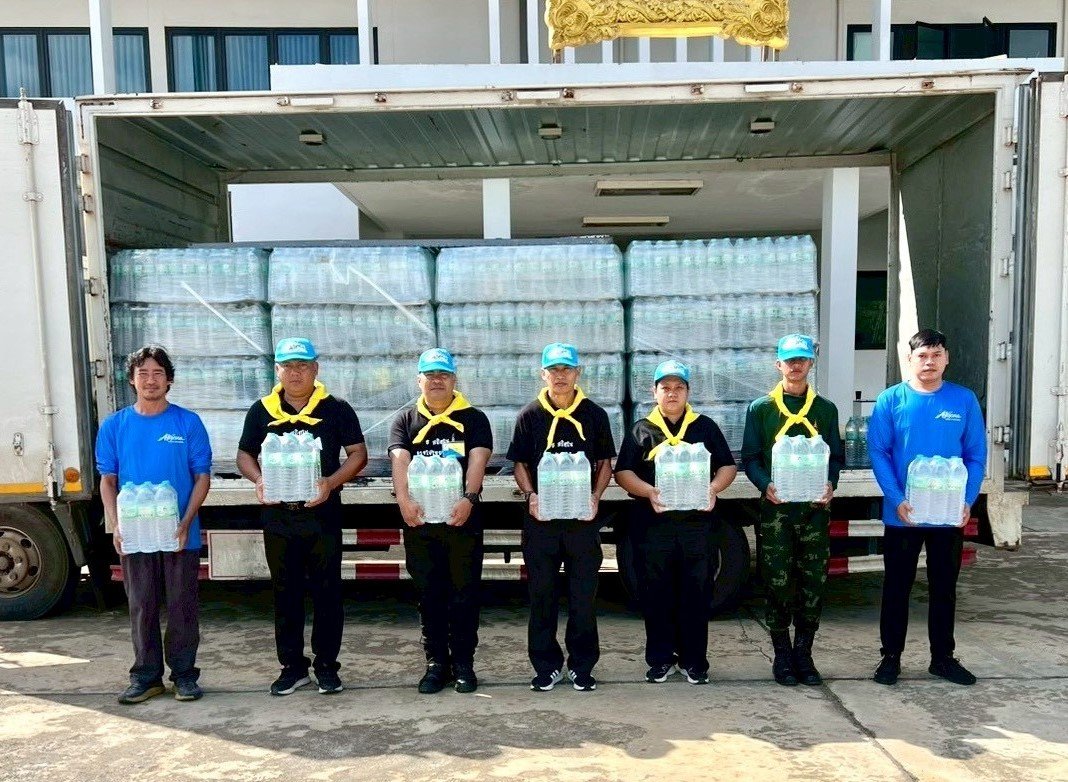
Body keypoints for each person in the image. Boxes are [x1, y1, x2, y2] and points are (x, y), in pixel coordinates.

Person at [236, 337, 368, 696]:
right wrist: (258, 479)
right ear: (277, 370)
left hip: (322, 515)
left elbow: (358, 453)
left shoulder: (336, 408)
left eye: (302, 366)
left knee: (328, 593)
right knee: (285, 594)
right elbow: (244, 455)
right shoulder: (261, 411)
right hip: (279, 517)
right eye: (288, 366)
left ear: (315, 369)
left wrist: (331, 483)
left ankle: (327, 667)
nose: (295, 373)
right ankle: (292, 667)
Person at [868, 328, 986, 686]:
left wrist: (967, 501)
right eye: (922, 355)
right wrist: (896, 499)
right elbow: (879, 452)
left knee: (944, 587)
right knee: (897, 586)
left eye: (936, 355)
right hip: (904, 515)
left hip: (948, 514)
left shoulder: (963, 400)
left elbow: (976, 455)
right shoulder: (891, 400)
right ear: (910, 359)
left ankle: (942, 658)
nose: (929, 362)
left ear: (946, 358)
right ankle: (890, 657)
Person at [96, 345, 212, 704]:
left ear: (169, 380)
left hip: (179, 533)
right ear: (132, 380)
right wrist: (116, 525)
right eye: (143, 373)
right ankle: (146, 677)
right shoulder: (115, 426)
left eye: (158, 373)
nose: (150, 380)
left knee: (181, 607)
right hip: (135, 532)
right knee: (142, 605)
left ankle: (184, 676)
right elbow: (107, 480)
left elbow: (202, 477)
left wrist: (186, 521)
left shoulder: (187, 423)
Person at [614, 360, 738, 685]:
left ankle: (694, 661)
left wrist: (713, 488)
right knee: (656, 594)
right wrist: (648, 491)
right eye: (665, 388)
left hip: (697, 526)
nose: (672, 393)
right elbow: (623, 472)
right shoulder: (641, 429)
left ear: (687, 392)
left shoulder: (704, 427)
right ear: (654, 392)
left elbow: (727, 466)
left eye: (678, 387)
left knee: (696, 593)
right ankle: (660, 660)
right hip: (653, 526)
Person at [507, 343, 616, 692]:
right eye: (553, 369)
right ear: (543, 374)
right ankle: (546, 665)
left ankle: (582, 666)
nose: (560, 375)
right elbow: (520, 464)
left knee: (583, 597)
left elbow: (605, 463)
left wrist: (596, 496)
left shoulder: (594, 415)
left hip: (582, 522)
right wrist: (531, 496)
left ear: (577, 373)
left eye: (566, 369)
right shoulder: (529, 416)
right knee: (542, 596)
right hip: (542, 523)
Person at [740, 334, 843, 686]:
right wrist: (764, 484)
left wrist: (831, 484)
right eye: (789, 360)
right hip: (777, 511)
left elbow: (836, 458)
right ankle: (782, 655)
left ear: (811, 363)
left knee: (813, 581)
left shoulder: (825, 409)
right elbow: (750, 457)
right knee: (777, 581)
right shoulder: (761, 409)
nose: (795, 365)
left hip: (814, 510)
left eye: (802, 359)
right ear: (778, 364)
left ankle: (805, 654)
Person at [388, 348, 493, 694]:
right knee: (429, 594)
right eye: (430, 375)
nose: (437, 381)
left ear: (454, 380)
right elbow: (400, 459)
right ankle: (436, 664)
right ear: (419, 380)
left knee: (464, 593)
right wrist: (403, 500)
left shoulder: (473, 418)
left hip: (461, 520)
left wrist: (469, 498)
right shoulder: (405, 420)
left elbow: (478, 459)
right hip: (421, 523)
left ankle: (463, 662)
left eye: (443, 375)